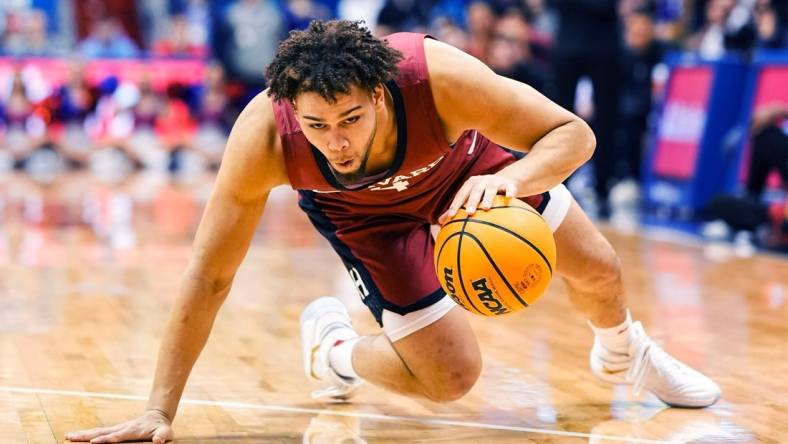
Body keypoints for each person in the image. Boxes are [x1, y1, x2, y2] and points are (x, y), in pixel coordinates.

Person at [65, 20, 721, 444]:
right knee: (452, 378)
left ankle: (624, 353)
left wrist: (512, 183)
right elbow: (209, 274)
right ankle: (335, 353)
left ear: (381, 94)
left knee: (599, 265)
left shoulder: (437, 78)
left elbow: (574, 133)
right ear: (292, 111)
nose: (336, 142)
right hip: (365, 220)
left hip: (468, 175)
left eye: (350, 118)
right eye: (317, 126)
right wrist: (159, 408)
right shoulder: (263, 137)